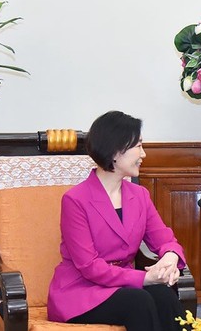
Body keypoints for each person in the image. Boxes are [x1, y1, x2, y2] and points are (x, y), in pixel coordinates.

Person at [47, 111, 186, 331]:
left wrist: (170, 257)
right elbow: (89, 266)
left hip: (123, 286)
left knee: (165, 297)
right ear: (116, 151)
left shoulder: (139, 195)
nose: (144, 154)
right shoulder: (75, 200)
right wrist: (145, 278)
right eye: (138, 146)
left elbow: (165, 239)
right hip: (81, 291)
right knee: (139, 302)